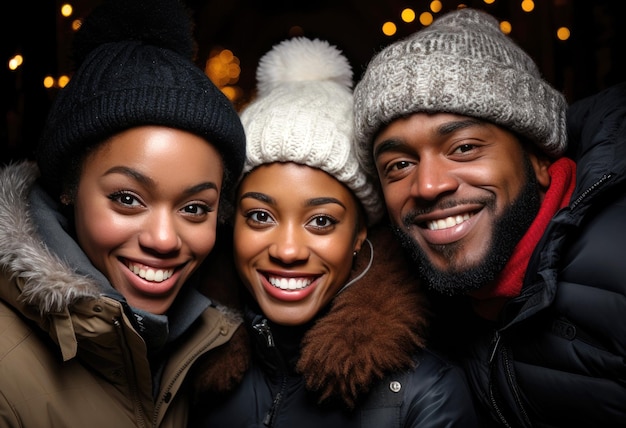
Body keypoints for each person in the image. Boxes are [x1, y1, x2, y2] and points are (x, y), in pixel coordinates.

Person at [352, 6, 626, 428]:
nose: (427, 186)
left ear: (537, 158)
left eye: (463, 148)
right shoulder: (420, 302)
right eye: (399, 165)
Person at [188, 37, 479, 427]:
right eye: (260, 216)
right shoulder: (185, 369)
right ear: (231, 224)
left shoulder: (426, 393)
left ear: (360, 234)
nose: (288, 250)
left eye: (321, 221)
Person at [0, 0, 248, 426]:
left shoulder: (202, 347)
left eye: (194, 208)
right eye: (128, 199)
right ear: (69, 189)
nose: (164, 239)